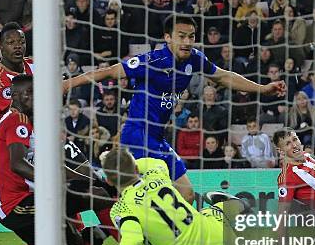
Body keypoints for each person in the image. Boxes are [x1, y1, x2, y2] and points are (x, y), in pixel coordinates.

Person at [64, 15, 286, 203]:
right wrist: (66, 85)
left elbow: (223, 76)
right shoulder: (152, 61)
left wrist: (263, 88)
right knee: (143, 201)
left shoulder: (195, 59)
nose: (187, 41)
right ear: (167, 37)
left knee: (187, 194)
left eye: (191, 36)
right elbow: (107, 73)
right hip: (137, 136)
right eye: (181, 36)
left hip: (158, 138)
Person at [78, 148, 242, 245]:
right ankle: (224, 207)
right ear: (136, 168)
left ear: (109, 182)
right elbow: (158, 162)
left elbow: (132, 240)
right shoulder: (157, 175)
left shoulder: (122, 208)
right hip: (223, 244)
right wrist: (130, 164)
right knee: (205, 215)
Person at [0, 75, 83, 245]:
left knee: (68, 242)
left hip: (26, 198)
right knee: (96, 193)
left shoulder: (31, 123)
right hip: (16, 204)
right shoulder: (17, 120)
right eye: (32, 93)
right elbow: (18, 164)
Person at [0, 22, 34, 123]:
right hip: (13, 135)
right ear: (1, 47)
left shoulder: (33, 64)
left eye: (22, 42)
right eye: (11, 42)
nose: (17, 46)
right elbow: (20, 111)